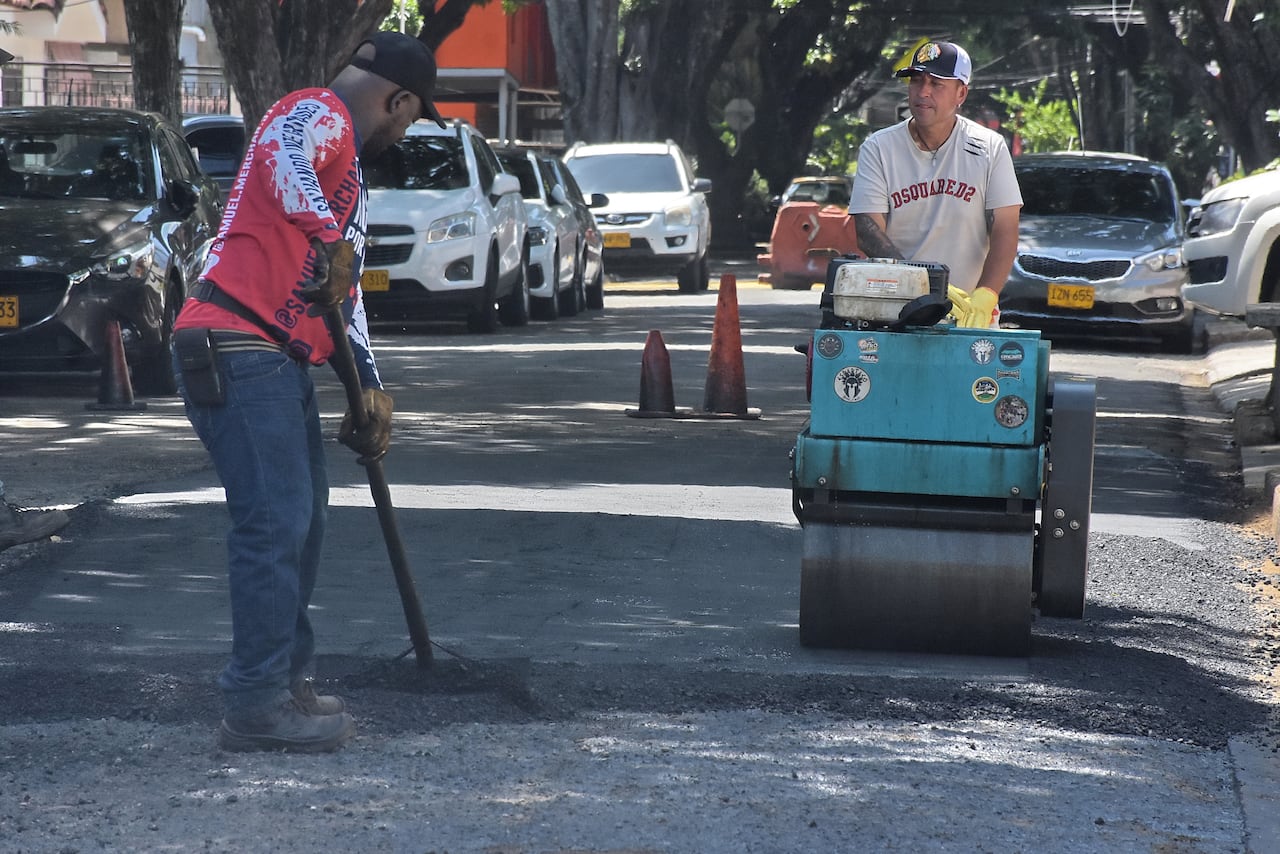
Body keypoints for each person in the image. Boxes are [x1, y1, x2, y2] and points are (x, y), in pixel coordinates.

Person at [171, 32, 445, 753]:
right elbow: (279, 154)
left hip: (277, 355)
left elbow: (343, 295)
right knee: (272, 524)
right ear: (399, 98)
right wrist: (330, 238)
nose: (405, 130)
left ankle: (286, 680)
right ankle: (255, 703)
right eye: (411, 118)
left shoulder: (347, 173)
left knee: (303, 522)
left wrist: (370, 391)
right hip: (235, 341)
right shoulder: (313, 112)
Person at [848, 41, 1022, 328]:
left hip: (969, 318)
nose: (923, 91)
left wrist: (986, 294)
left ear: (961, 93)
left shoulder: (989, 147)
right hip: (896, 314)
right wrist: (923, 286)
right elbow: (867, 231)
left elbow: (1006, 228)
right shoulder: (879, 148)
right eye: (917, 80)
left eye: (936, 83)